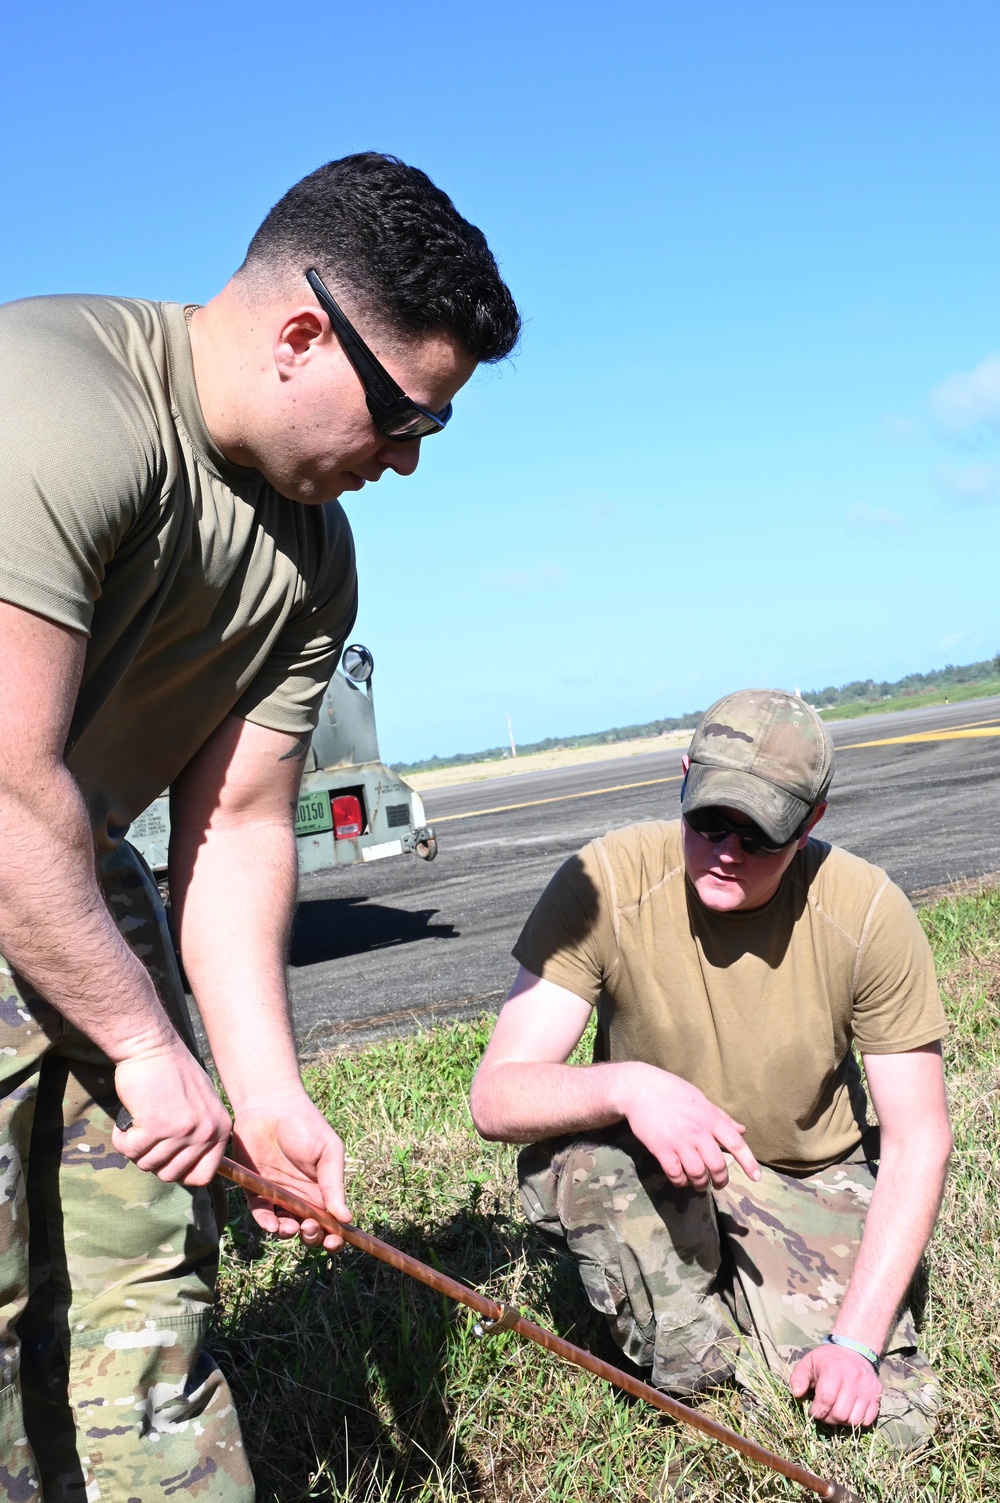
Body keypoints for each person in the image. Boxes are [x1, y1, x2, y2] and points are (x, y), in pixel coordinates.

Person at [0, 151, 519, 1500]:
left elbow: (232, 828)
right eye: (406, 415)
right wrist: (137, 1038)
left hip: (66, 862)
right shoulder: (55, 404)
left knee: (148, 1297)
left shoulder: (314, 554)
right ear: (303, 334)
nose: (406, 461)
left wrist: (266, 1091)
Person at [470, 689, 951, 1449]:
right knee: (583, 1162)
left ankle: (770, 1319)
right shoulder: (605, 883)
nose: (727, 849)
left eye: (760, 833)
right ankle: (695, 1366)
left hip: (803, 1177)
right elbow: (496, 1096)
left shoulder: (864, 913)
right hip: (657, 1163)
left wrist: (858, 1342)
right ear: (684, 778)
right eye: (709, 820)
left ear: (812, 821)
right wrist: (632, 1085)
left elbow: (919, 1137)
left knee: (885, 1425)